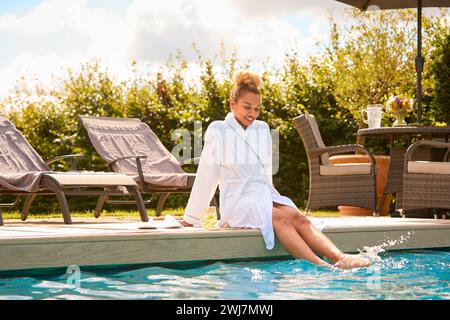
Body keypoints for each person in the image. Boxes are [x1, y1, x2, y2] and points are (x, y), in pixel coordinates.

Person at [181, 70, 370, 269]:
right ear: (232, 104)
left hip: (262, 193)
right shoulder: (218, 129)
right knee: (279, 218)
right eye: (247, 107)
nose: (252, 113)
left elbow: (265, 172)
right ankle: (323, 267)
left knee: (296, 216)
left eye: (257, 109)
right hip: (237, 200)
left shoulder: (262, 129)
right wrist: (191, 217)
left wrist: (270, 198)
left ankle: (341, 258)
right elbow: (207, 174)